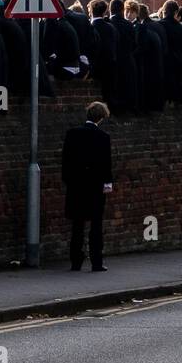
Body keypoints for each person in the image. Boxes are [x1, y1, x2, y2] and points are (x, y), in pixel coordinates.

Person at [62, 101, 113, 272]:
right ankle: (96, 262)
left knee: (77, 225)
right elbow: (107, 164)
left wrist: (68, 181)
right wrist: (107, 185)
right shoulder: (104, 137)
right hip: (95, 188)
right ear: (101, 118)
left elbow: (65, 161)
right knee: (96, 226)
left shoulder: (72, 134)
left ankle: (75, 262)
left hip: (76, 186)